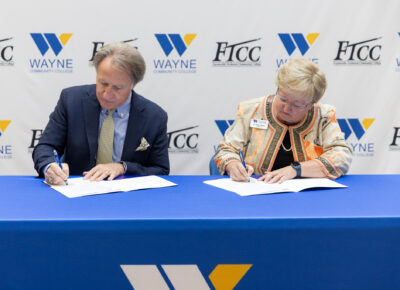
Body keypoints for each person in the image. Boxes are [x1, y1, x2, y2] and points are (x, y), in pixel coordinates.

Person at [33, 42, 169, 185]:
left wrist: (123, 167)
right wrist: (50, 166)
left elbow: (161, 170)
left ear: (133, 84)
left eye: (117, 88)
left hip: (128, 199)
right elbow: (46, 146)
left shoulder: (154, 117)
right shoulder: (71, 101)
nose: (107, 94)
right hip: (76, 195)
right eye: (103, 83)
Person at [214, 59, 352, 183]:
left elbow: (341, 157)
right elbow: (226, 149)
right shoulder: (251, 110)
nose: (286, 108)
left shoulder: (323, 116)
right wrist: (232, 165)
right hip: (256, 191)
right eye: (283, 98)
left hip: (307, 196)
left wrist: (296, 170)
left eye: (296, 105)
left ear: (311, 104)